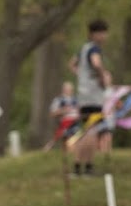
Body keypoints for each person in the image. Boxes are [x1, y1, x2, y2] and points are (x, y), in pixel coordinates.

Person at [70, 19, 111, 177]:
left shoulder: (83, 49)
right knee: (92, 131)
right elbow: (96, 64)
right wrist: (102, 78)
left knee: (87, 130)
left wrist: (82, 78)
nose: (104, 36)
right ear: (94, 34)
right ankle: (88, 166)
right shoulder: (94, 49)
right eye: (102, 33)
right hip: (93, 97)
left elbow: (72, 64)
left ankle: (78, 166)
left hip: (83, 95)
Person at [48, 81, 79, 148]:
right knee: (65, 143)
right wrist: (63, 111)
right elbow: (52, 113)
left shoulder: (76, 100)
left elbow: (80, 111)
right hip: (64, 124)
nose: (69, 91)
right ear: (63, 90)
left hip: (75, 125)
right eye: (67, 89)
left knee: (73, 143)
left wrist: (78, 114)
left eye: (70, 89)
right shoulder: (58, 100)